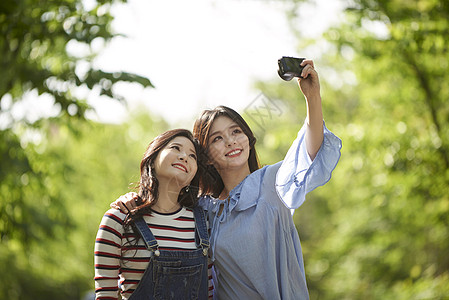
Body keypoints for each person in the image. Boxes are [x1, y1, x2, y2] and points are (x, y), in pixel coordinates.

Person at [114, 59, 342, 299]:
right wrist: (137, 200)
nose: (231, 141)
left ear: (248, 139)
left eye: (236, 132)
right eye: (217, 139)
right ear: (207, 157)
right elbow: (164, 208)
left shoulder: (273, 182)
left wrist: (312, 96)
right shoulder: (204, 209)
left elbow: (310, 152)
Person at [94, 129, 213, 300]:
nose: (185, 157)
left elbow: (208, 293)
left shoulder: (203, 224)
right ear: (153, 157)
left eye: (192, 156)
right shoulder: (119, 220)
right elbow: (106, 295)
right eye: (176, 148)